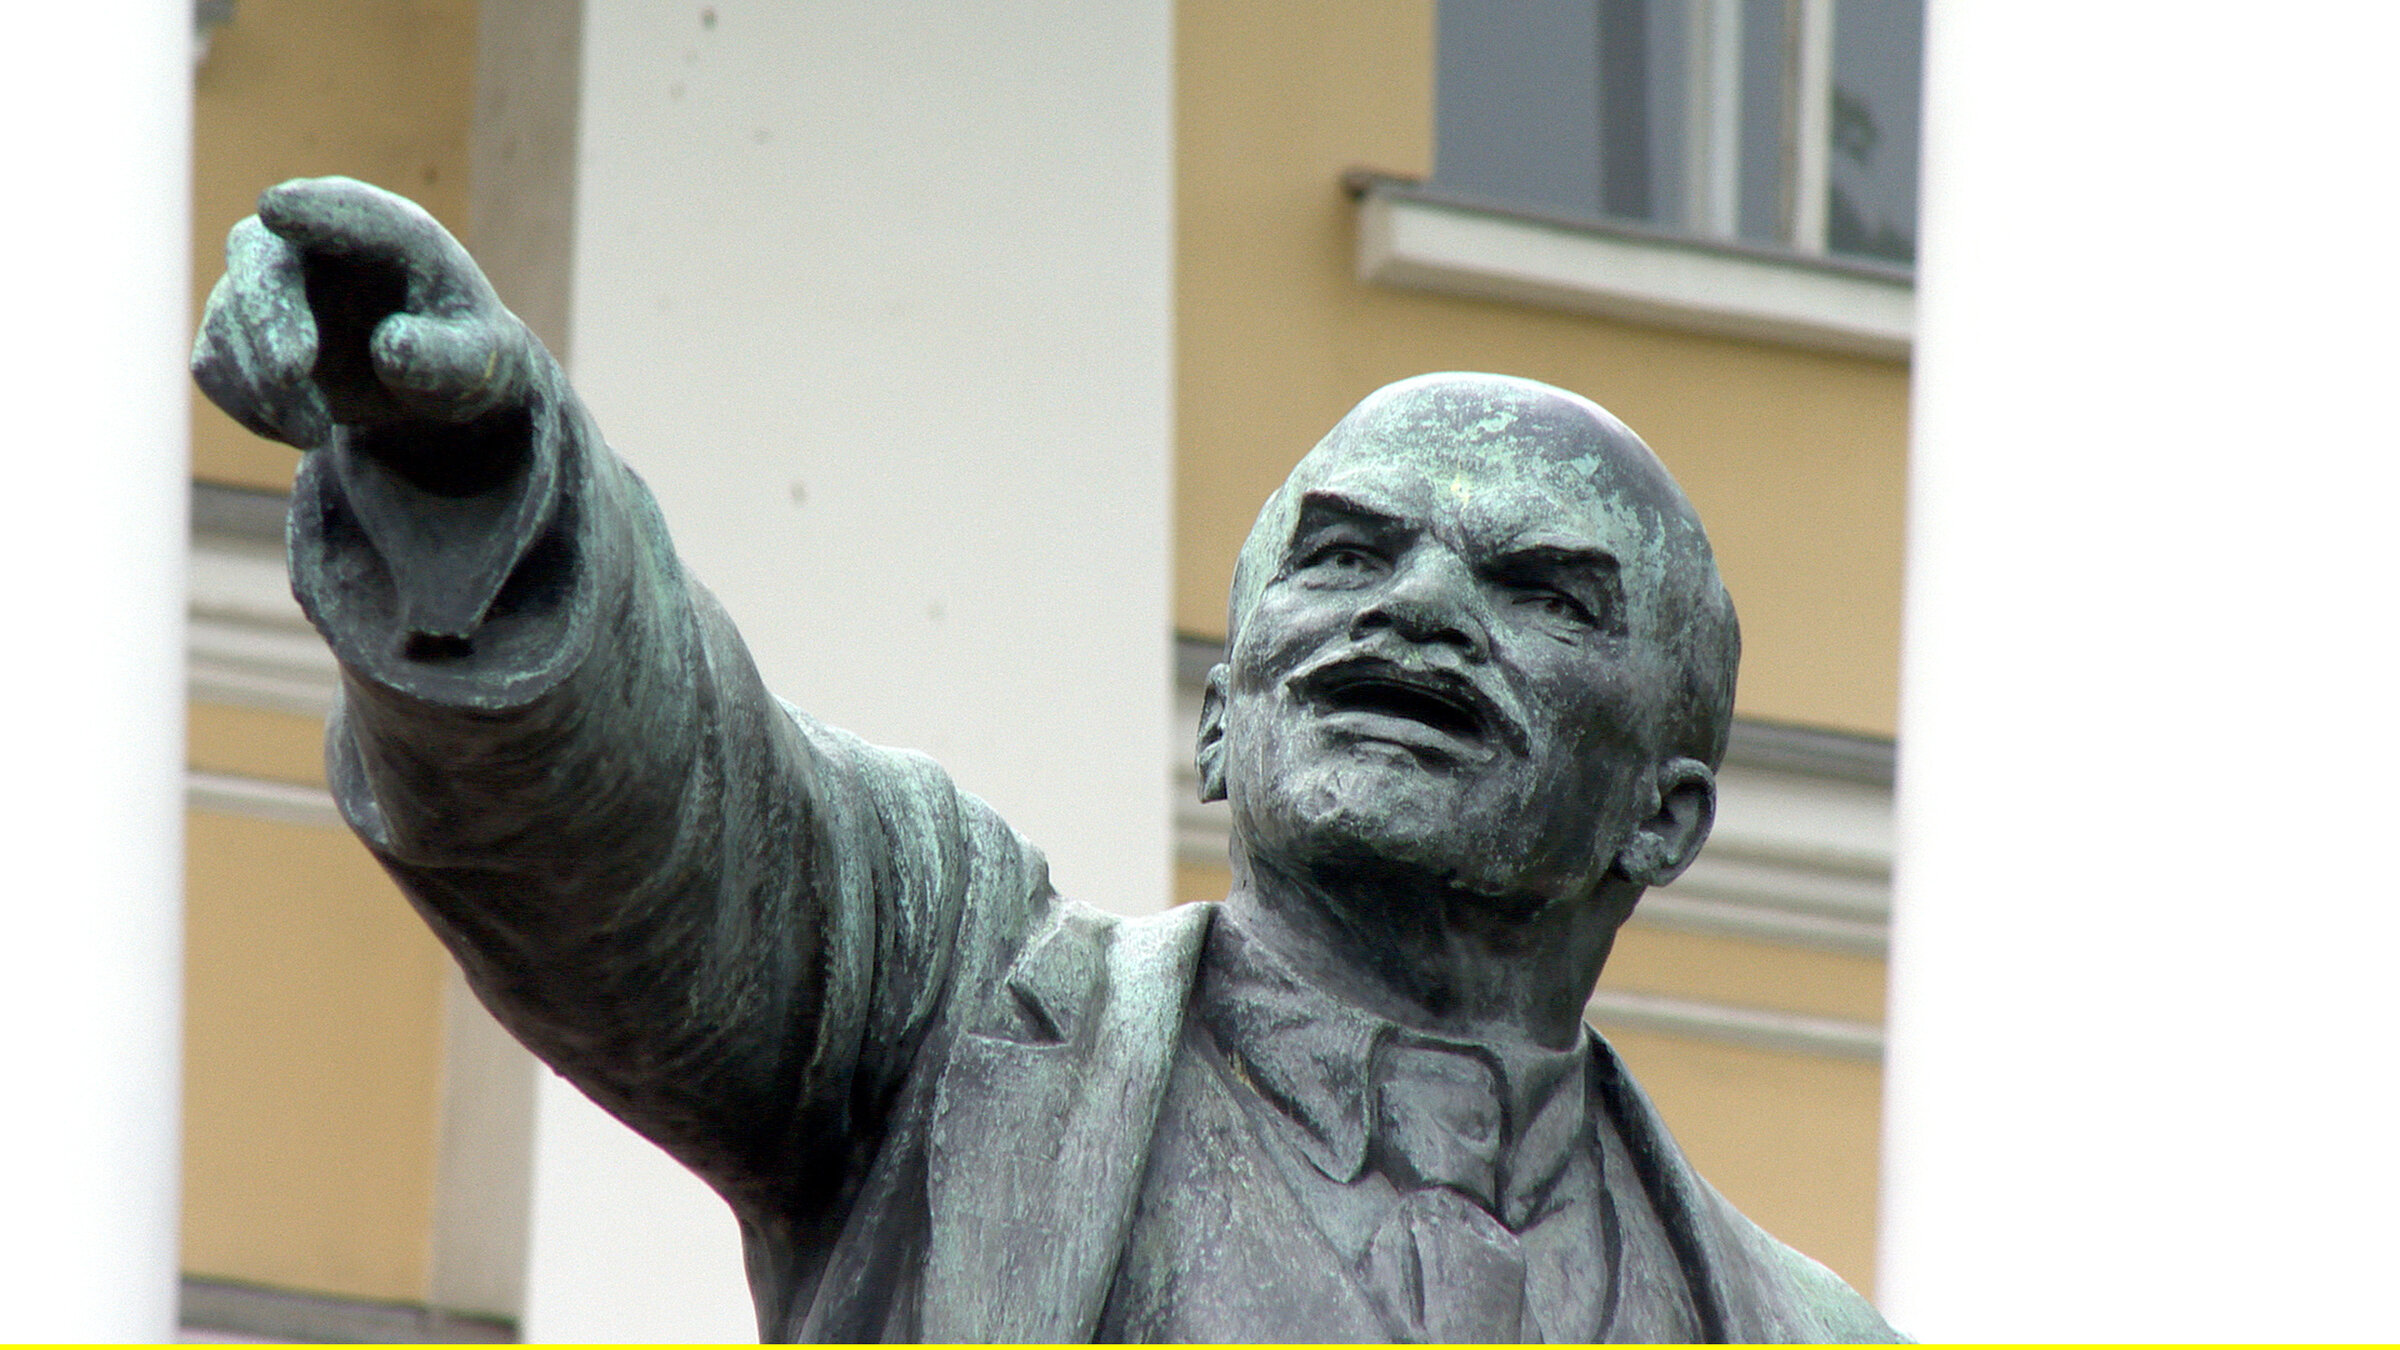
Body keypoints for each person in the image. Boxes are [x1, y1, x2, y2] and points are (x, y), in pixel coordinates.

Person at [193, 176, 1902, 1343]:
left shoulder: (1802, 1325)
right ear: (1222, 718)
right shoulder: (947, 1006)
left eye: (1541, 591)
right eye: (1343, 555)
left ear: (1664, 813)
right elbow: (666, 816)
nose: (1418, 608)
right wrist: (470, 467)